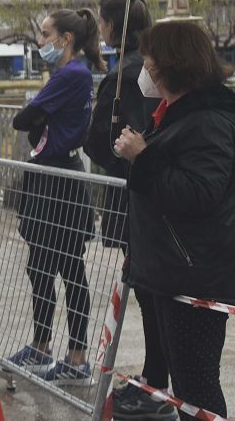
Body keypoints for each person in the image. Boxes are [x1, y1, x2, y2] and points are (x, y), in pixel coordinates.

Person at [114, 21, 235, 421]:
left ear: (169, 64)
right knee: (186, 389)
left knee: (196, 389)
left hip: (195, 276)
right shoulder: (171, 113)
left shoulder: (210, 120)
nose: (144, 68)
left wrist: (143, 157)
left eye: (149, 59)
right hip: (170, 271)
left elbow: (199, 193)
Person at [83, 0, 169, 419]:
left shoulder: (125, 75)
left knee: (151, 296)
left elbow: (104, 145)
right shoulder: (158, 69)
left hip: (134, 198)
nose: (100, 29)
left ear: (113, 25)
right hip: (160, 195)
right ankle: (157, 381)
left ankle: (157, 385)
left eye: (102, 22)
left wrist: (103, 114)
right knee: (155, 296)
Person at [8, 8, 102, 385]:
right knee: (40, 267)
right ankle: (41, 346)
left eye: (46, 35)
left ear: (66, 39)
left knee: (70, 270)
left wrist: (38, 118)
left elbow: (24, 118)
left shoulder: (72, 74)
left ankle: (76, 357)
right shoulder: (64, 74)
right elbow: (31, 119)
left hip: (61, 183)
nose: (40, 42)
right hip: (48, 179)